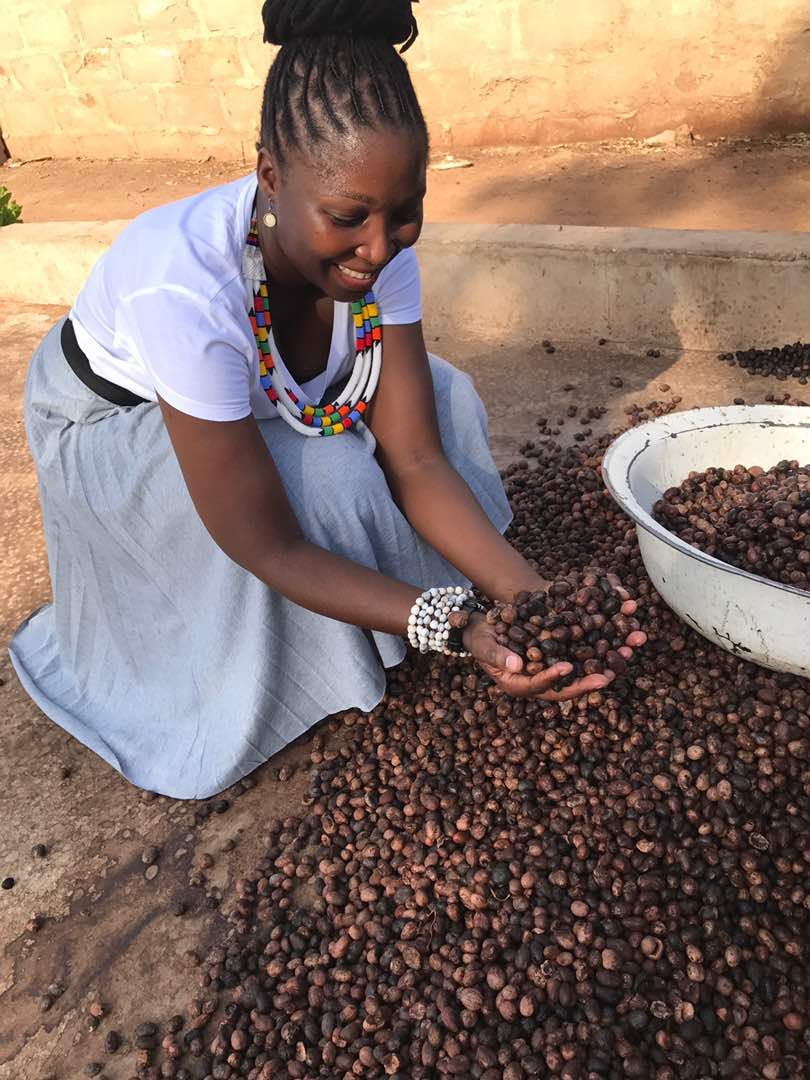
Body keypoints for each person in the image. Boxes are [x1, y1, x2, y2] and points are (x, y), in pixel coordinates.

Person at [9, 0, 644, 800]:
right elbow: (264, 543)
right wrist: (454, 625)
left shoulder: (379, 250)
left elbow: (416, 455)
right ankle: (321, 643)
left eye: (405, 213)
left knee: (444, 399)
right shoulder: (185, 288)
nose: (379, 249)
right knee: (334, 477)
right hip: (104, 425)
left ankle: (389, 591)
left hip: (243, 396)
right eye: (348, 218)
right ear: (270, 175)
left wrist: (532, 602)